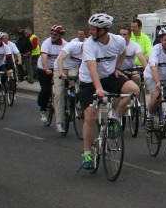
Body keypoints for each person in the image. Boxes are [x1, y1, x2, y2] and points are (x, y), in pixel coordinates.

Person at [78, 13, 139, 170]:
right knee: (90, 115)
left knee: (134, 90)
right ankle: (86, 153)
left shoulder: (117, 40)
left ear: (103, 30)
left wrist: (117, 68)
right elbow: (92, 68)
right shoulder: (89, 44)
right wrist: (98, 88)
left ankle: (115, 119)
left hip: (109, 76)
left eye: (93, 29)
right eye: (90, 29)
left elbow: (123, 52)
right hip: (89, 81)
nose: (90, 32)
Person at [53, 29, 86, 133]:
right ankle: (59, 122)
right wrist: (62, 73)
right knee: (58, 93)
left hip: (72, 68)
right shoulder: (72, 45)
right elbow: (60, 59)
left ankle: (74, 97)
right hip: (59, 67)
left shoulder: (88, 51)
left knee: (75, 77)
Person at [36, 25, 67, 123]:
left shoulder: (65, 44)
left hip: (57, 68)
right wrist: (46, 69)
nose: (53, 36)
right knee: (45, 88)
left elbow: (68, 57)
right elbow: (44, 57)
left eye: (55, 34)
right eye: (51, 34)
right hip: (44, 68)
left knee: (63, 87)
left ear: (60, 35)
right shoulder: (47, 43)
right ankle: (43, 109)